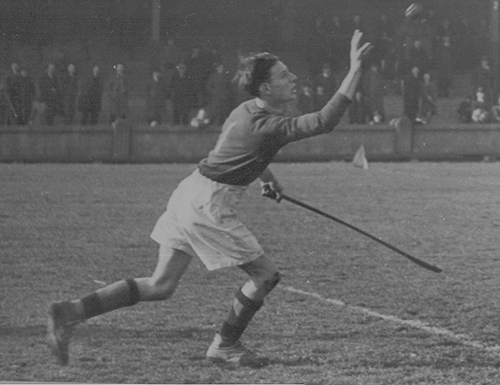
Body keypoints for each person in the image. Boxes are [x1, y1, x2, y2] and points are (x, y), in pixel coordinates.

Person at [46, 30, 372, 368]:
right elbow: (323, 121)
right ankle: (225, 345)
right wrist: (355, 70)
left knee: (160, 285)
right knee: (265, 276)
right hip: (208, 206)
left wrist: (269, 179)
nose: (293, 79)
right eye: (284, 76)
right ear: (265, 89)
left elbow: (244, 152)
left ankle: (71, 311)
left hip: (190, 192)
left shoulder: (246, 110)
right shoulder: (268, 125)